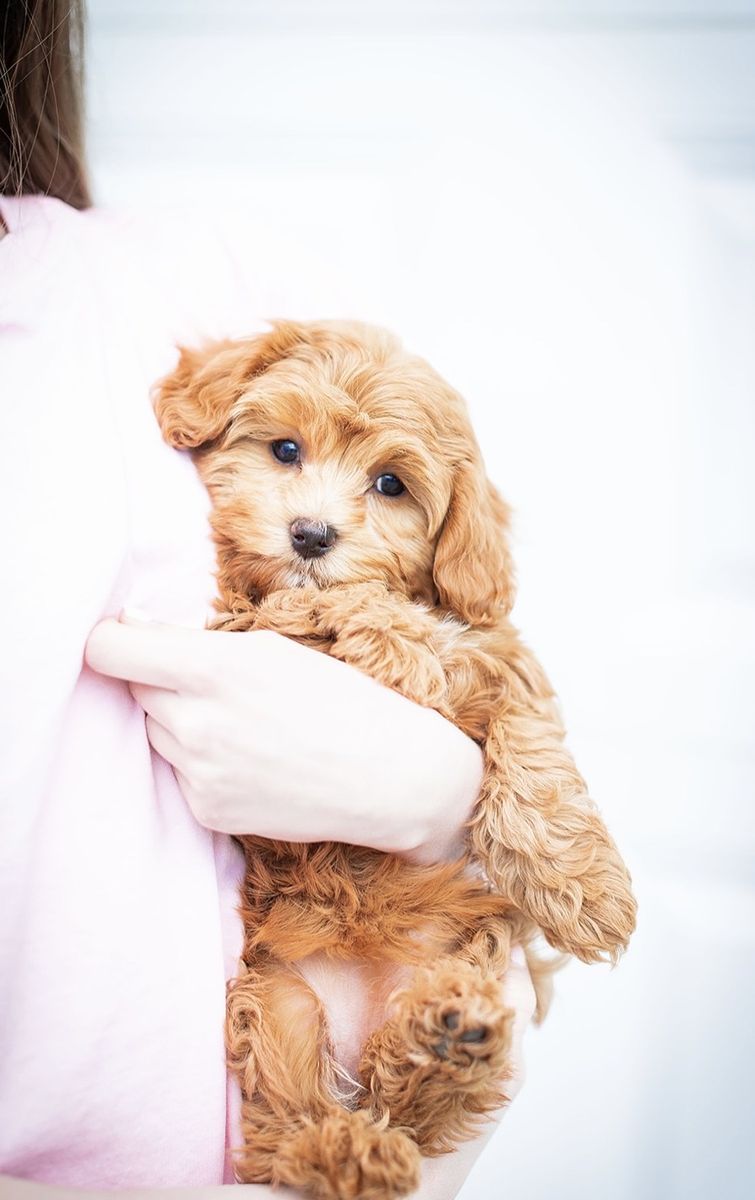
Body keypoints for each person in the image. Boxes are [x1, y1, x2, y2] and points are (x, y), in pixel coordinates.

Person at [0, 3, 535, 1197]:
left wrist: (443, 800)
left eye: (379, 482)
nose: (315, 510)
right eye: (282, 456)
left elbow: (489, 920)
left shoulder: (198, 289)